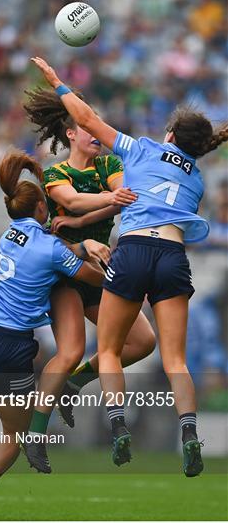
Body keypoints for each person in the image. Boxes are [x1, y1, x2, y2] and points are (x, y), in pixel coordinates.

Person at [31, 56, 228, 477]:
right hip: (173, 257)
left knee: (108, 349)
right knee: (175, 358)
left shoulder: (140, 149)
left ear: (169, 134)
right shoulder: (196, 178)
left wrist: (57, 82)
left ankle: (118, 427)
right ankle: (190, 435)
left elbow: (87, 116)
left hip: (134, 250)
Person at [0, 148, 106, 520]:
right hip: (8, 347)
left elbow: (49, 252)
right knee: (15, 434)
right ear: (42, 211)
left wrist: (77, 247)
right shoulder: (48, 247)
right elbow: (88, 276)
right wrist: (107, 261)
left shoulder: (9, 233)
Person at [22, 88, 156, 473]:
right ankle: (36, 435)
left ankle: (74, 384)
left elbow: (119, 194)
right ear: (70, 134)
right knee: (69, 352)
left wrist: (85, 220)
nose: (95, 132)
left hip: (97, 269)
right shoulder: (55, 174)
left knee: (142, 342)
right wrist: (95, 213)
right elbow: (79, 202)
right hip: (64, 271)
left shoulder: (109, 164)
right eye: (86, 125)